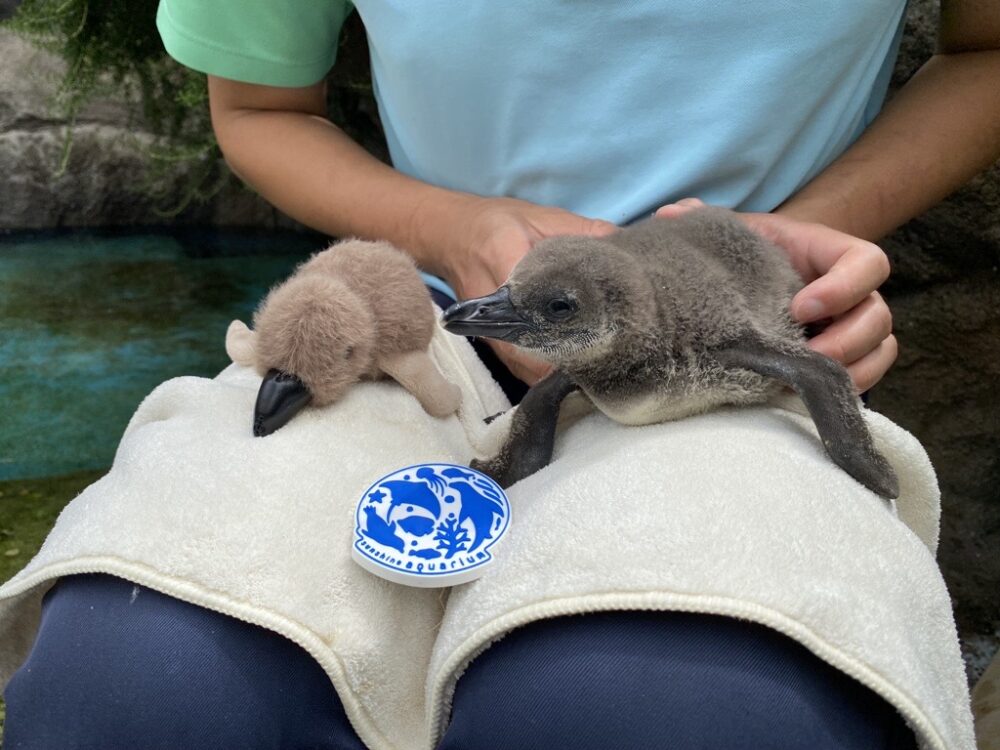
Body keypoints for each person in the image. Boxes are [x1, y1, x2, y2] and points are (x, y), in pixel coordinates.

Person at [2, 2, 998, 749]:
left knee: (677, 702)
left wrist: (786, 253)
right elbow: (259, 106)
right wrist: (451, 232)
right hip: (423, 313)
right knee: (140, 678)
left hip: (713, 344)